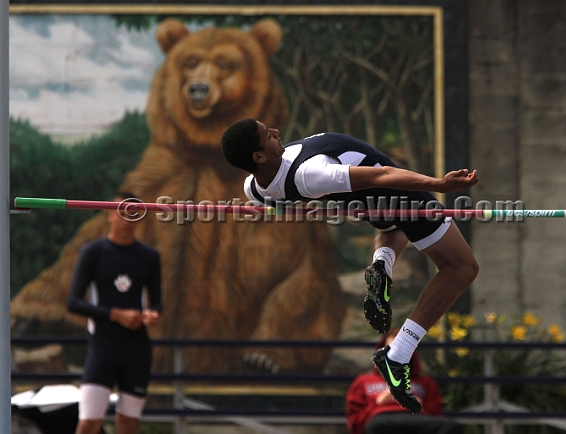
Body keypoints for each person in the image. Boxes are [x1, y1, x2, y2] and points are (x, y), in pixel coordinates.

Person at [221, 119, 479, 413]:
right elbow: (385, 176)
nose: (278, 133)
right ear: (258, 157)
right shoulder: (301, 177)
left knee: (393, 225)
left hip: (359, 195)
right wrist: (440, 184)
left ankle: (381, 264)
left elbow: (293, 196)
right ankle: (398, 354)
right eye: (268, 135)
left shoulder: (257, 188)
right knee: (461, 269)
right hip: (389, 191)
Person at [66, 191, 162, 434]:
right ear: (110, 213)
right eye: (122, 213)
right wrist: (116, 315)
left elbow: (157, 302)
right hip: (103, 348)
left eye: (133, 214)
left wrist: (151, 313)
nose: (127, 219)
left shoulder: (149, 256)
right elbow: (74, 302)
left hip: (137, 350)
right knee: (89, 423)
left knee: (128, 424)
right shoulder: (93, 253)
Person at [346, 328, 463, 434]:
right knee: (377, 426)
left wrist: (419, 405)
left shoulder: (425, 382)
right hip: (381, 418)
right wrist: (378, 403)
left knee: (450, 427)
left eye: (402, 352)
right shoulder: (364, 381)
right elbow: (355, 419)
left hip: (416, 418)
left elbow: (436, 412)